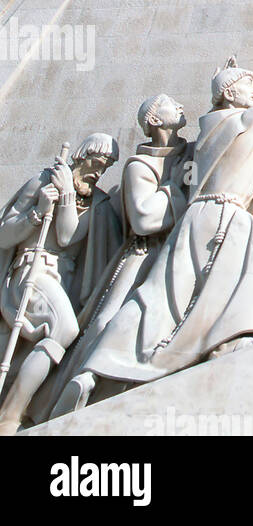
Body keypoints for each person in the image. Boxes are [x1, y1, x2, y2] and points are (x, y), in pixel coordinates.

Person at [73, 63, 253, 390]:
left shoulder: (208, 127)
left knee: (166, 293)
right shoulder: (241, 119)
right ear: (229, 93)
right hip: (223, 211)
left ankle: (99, 365)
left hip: (200, 215)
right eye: (247, 84)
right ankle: (217, 341)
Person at [41, 97, 189, 421]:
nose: (179, 107)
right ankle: (80, 382)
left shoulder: (188, 154)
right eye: (169, 105)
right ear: (152, 120)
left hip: (176, 253)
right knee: (106, 322)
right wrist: (175, 192)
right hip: (141, 253)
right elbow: (144, 219)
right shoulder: (139, 165)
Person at [0, 134, 120, 434]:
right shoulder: (42, 181)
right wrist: (37, 213)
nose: (99, 172)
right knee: (64, 329)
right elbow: (4, 235)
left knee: (62, 335)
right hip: (33, 271)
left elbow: (68, 235)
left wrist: (67, 195)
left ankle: (19, 408)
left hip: (62, 282)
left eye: (105, 168)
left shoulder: (96, 201)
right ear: (82, 156)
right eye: (97, 163)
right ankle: (10, 413)